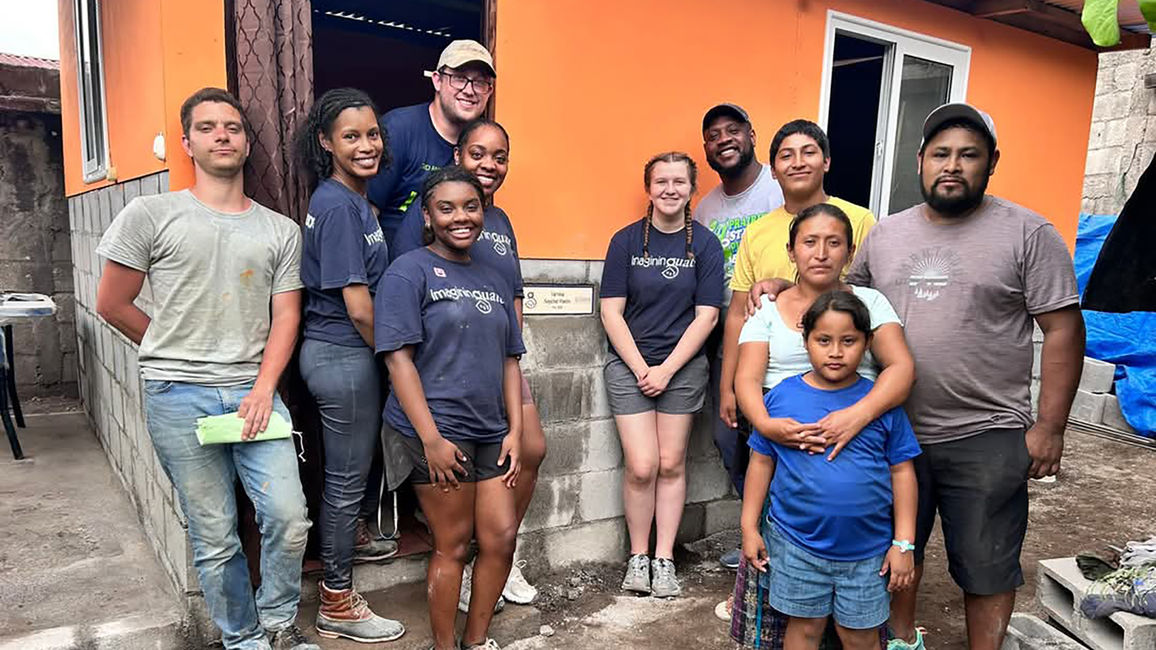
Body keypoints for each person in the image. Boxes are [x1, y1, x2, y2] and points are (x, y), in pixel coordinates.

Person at [842, 103, 1085, 650]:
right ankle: (903, 640)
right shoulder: (885, 236)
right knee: (897, 547)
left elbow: (1064, 330)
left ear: (991, 163)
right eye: (941, 154)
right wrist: (779, 292)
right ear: (921, 161)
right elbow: (846, 306)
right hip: (892, 428)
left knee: (987, 563)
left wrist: (1050, 426)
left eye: (968, 155)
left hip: (988, 432)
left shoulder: (1028, 233)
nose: (952, 166)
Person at [94, 88, 317, 650]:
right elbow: (112, 303)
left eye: (233, 127)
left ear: (246, 143)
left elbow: (286, 316)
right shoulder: (151, 214)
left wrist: (266, 388)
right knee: (215, 535)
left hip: (252, 392)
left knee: (289, 519)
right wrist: (172, 350)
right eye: (208, 127)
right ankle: (243, 640)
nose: (223, 135)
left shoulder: (279, 230)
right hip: (176, 394)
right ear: (188, 141)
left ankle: (277, 625)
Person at [729, 203, 915, 649]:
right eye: (809, 242)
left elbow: (902, 370)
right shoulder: (769, 311)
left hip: (865, 451)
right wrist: (768, 426)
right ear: (791, 250)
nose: (821, 252)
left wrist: (858, 416)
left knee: (859, 630)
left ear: (850, 252)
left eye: (834, 243)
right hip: (788, 467)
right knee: (801, 623)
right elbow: (747, 379)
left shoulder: (870, 303)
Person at [716, 119, 877, 621]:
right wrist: (728, 385)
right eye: (786, 154)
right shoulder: (761, 231)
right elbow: (739, 312)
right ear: (774, 166)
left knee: (833, 490)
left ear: (827, 161)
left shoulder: (861, 221)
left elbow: (869, 299)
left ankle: (845, 600)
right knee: (764, 492)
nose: (798, 161)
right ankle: (764, 589)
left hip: (845, 395)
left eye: (810, 152)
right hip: (771, 396)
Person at [393, 119, 544, 608]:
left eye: (500, 156)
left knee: (529, 445)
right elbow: (405, 312)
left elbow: (512, 295)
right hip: (442, 372)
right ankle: (473, 554)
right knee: (454, 505)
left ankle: (498, 554)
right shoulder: (426, 227)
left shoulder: (501, 222)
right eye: (478, 153)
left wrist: (513, 359)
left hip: (498, 353)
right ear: (458, 154)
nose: (490, 165)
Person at [376, 166, 525, 650]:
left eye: (471, 206)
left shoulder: (495, 278)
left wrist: (515, 430)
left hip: (491, 430)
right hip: (438, 432)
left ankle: (476, 640)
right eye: (447, 208)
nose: (460, 217)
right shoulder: (408, 271)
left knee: (501, 538)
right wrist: (431, 440)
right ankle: (444, 646)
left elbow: (509, 361)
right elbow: (399, 362)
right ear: (427, 215)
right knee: (454, 544)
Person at [291, 87, 406, 644]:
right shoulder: (336, 206)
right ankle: (336, 600)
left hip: (345, 354)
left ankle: (354, 541)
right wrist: (398, 359)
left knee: (350, 476)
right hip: (343, 353)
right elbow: (358, 305)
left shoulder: (353, 202)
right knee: (343, 482)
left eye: (373, 134)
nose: (367, 146)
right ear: (326, 143)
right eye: (352, 137)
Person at [599, 152, 725, 598]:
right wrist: (641, 369)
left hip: (684, 368)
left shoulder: (706, 245)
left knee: (671, 463)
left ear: (692, 189)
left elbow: (707, 317)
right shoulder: (626, 241)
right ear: (648, 188)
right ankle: (638, 557)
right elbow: (611, 312)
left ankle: (665, 558)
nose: (670, 189)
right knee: (642, 464)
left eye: (679, 182)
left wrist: (668, 370)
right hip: (630, 365)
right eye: (661, 182)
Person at [693, 102, 785, 570]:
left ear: (752, 134)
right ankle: (760, 528)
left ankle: (783, 535)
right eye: (713, 134)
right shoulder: (706, 207)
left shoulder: (777, 188)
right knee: (730, 437)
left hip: (780, 339)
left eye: (733, 130)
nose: (724, 139)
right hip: (727, 338)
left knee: (781, 438)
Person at [368, 39, 495, 248]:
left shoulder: (481, 146)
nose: (469, 90)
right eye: (459, 78)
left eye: (480, 82)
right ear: (437, 80)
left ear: (488, 91)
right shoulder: (399, 129)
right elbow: (366, 211)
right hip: (395, 270)